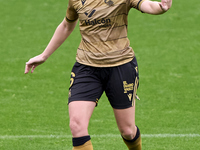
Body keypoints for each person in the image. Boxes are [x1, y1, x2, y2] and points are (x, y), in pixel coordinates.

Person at [25, 0, 172, 149]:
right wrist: (44, 55)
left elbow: (147, 5)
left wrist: (162, 8)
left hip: (120, 67)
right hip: (86, 68)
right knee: (77, 126)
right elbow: (66, 25)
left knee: (128, 131)